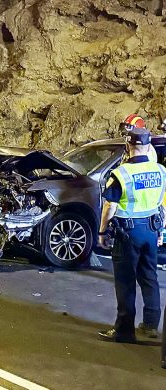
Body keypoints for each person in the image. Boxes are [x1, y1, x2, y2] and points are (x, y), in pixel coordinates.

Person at [98, 127, 166, 343]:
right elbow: (161, 203)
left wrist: (102, 231)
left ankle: (124, 330)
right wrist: (161, 231)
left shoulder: (122, 173)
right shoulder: (161, 171)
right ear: (148, 146)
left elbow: (110, 205)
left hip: (128, 233)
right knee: (149, 277)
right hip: (151, 230)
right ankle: (151, 325)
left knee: (126, 281)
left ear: (128, 146)